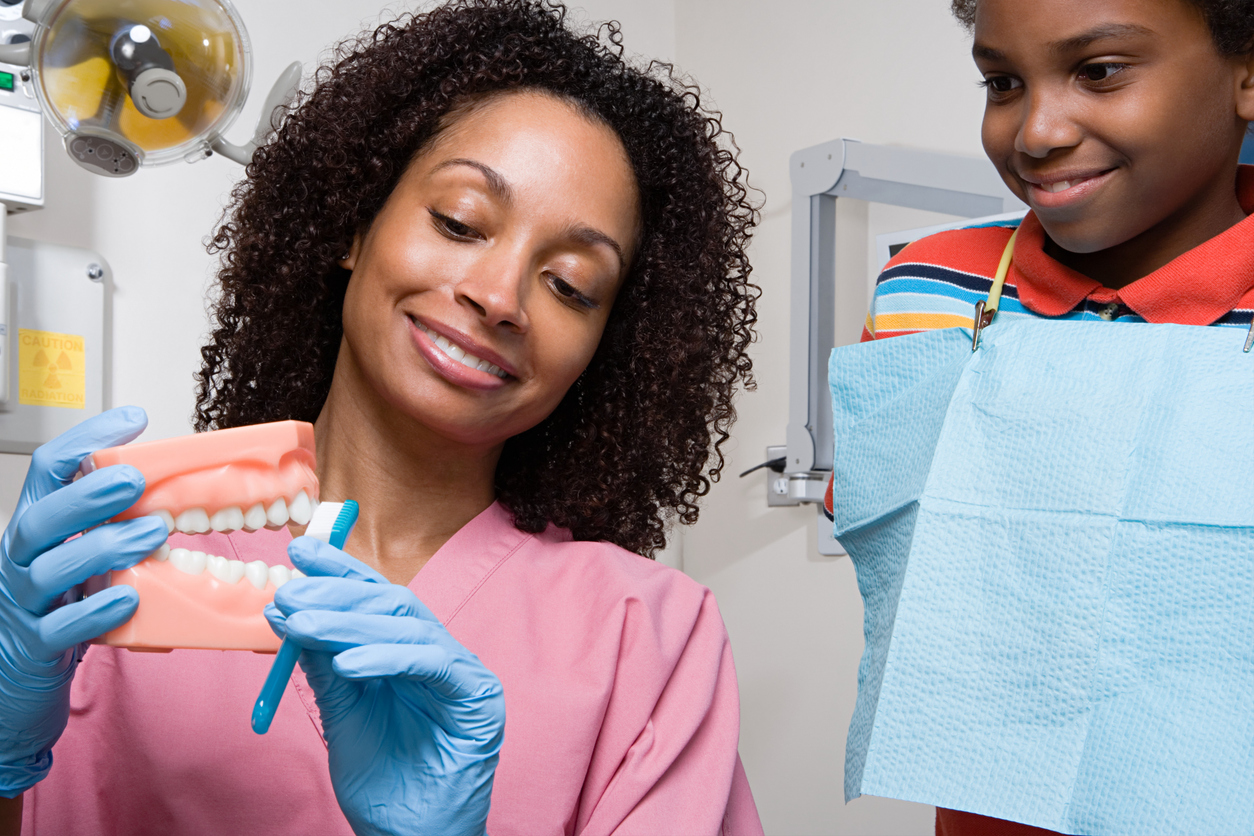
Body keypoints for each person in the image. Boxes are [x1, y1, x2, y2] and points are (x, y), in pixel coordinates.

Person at [0, 1, 765, 833]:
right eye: (459, 222)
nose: (498, 297)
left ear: (602, 350)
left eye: (570, 285)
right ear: (354, 225)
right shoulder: (111, 556)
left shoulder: (648, 639)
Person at [824, 0, 1254, 834]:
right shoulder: (930, 289)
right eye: (1003, 82)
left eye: (1099, 72)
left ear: (1246, 73)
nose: (1037, 132)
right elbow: (891, 549)